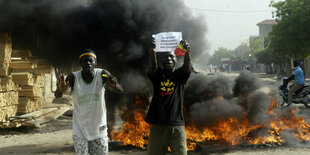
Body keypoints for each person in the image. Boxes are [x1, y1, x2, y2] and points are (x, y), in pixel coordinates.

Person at [55, 49, 123, 155]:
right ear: (80, 64)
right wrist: (59, 90)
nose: (88, 63)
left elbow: (120, 90)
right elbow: (58, 95)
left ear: (95, 63)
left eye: (90, 61)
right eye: (84, 61)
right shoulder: (73, 77)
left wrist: (115, 85)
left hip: (99, 129)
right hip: (80, 130)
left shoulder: (102, 74)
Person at [146, 39, 192, 155]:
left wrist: (187, 51)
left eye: (171, 57)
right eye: (166, 58)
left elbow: (187, 67)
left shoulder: (180, 76)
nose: (168, 59)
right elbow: (152, 68)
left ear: (176, 60)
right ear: (161, 62)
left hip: (177, 126)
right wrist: (152, 50)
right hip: (158, 126)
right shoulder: (158, 75)